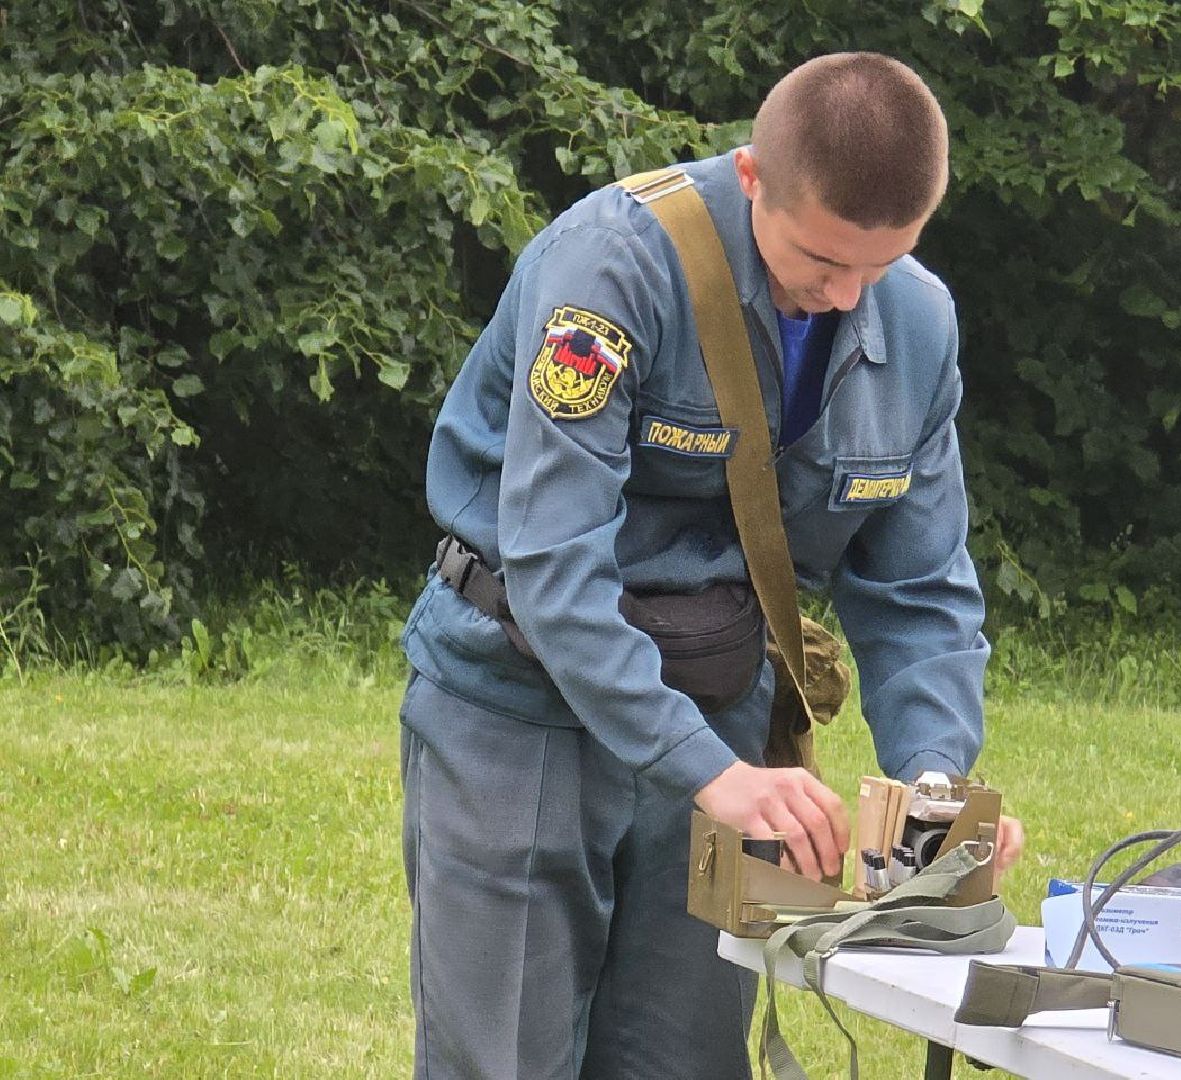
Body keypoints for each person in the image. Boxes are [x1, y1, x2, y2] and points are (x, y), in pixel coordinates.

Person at [398, 51, 1024, 1080]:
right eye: (820, 262)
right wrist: (713, 775)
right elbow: (555, 567)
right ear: (750, 179)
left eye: (881, 264)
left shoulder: (917, 321)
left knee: (682, 1061)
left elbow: (918, 590)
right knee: (500, 1056)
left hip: (722, 700)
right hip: (520, 700)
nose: (845, 296)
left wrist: (933, 787)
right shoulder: (611, 270)